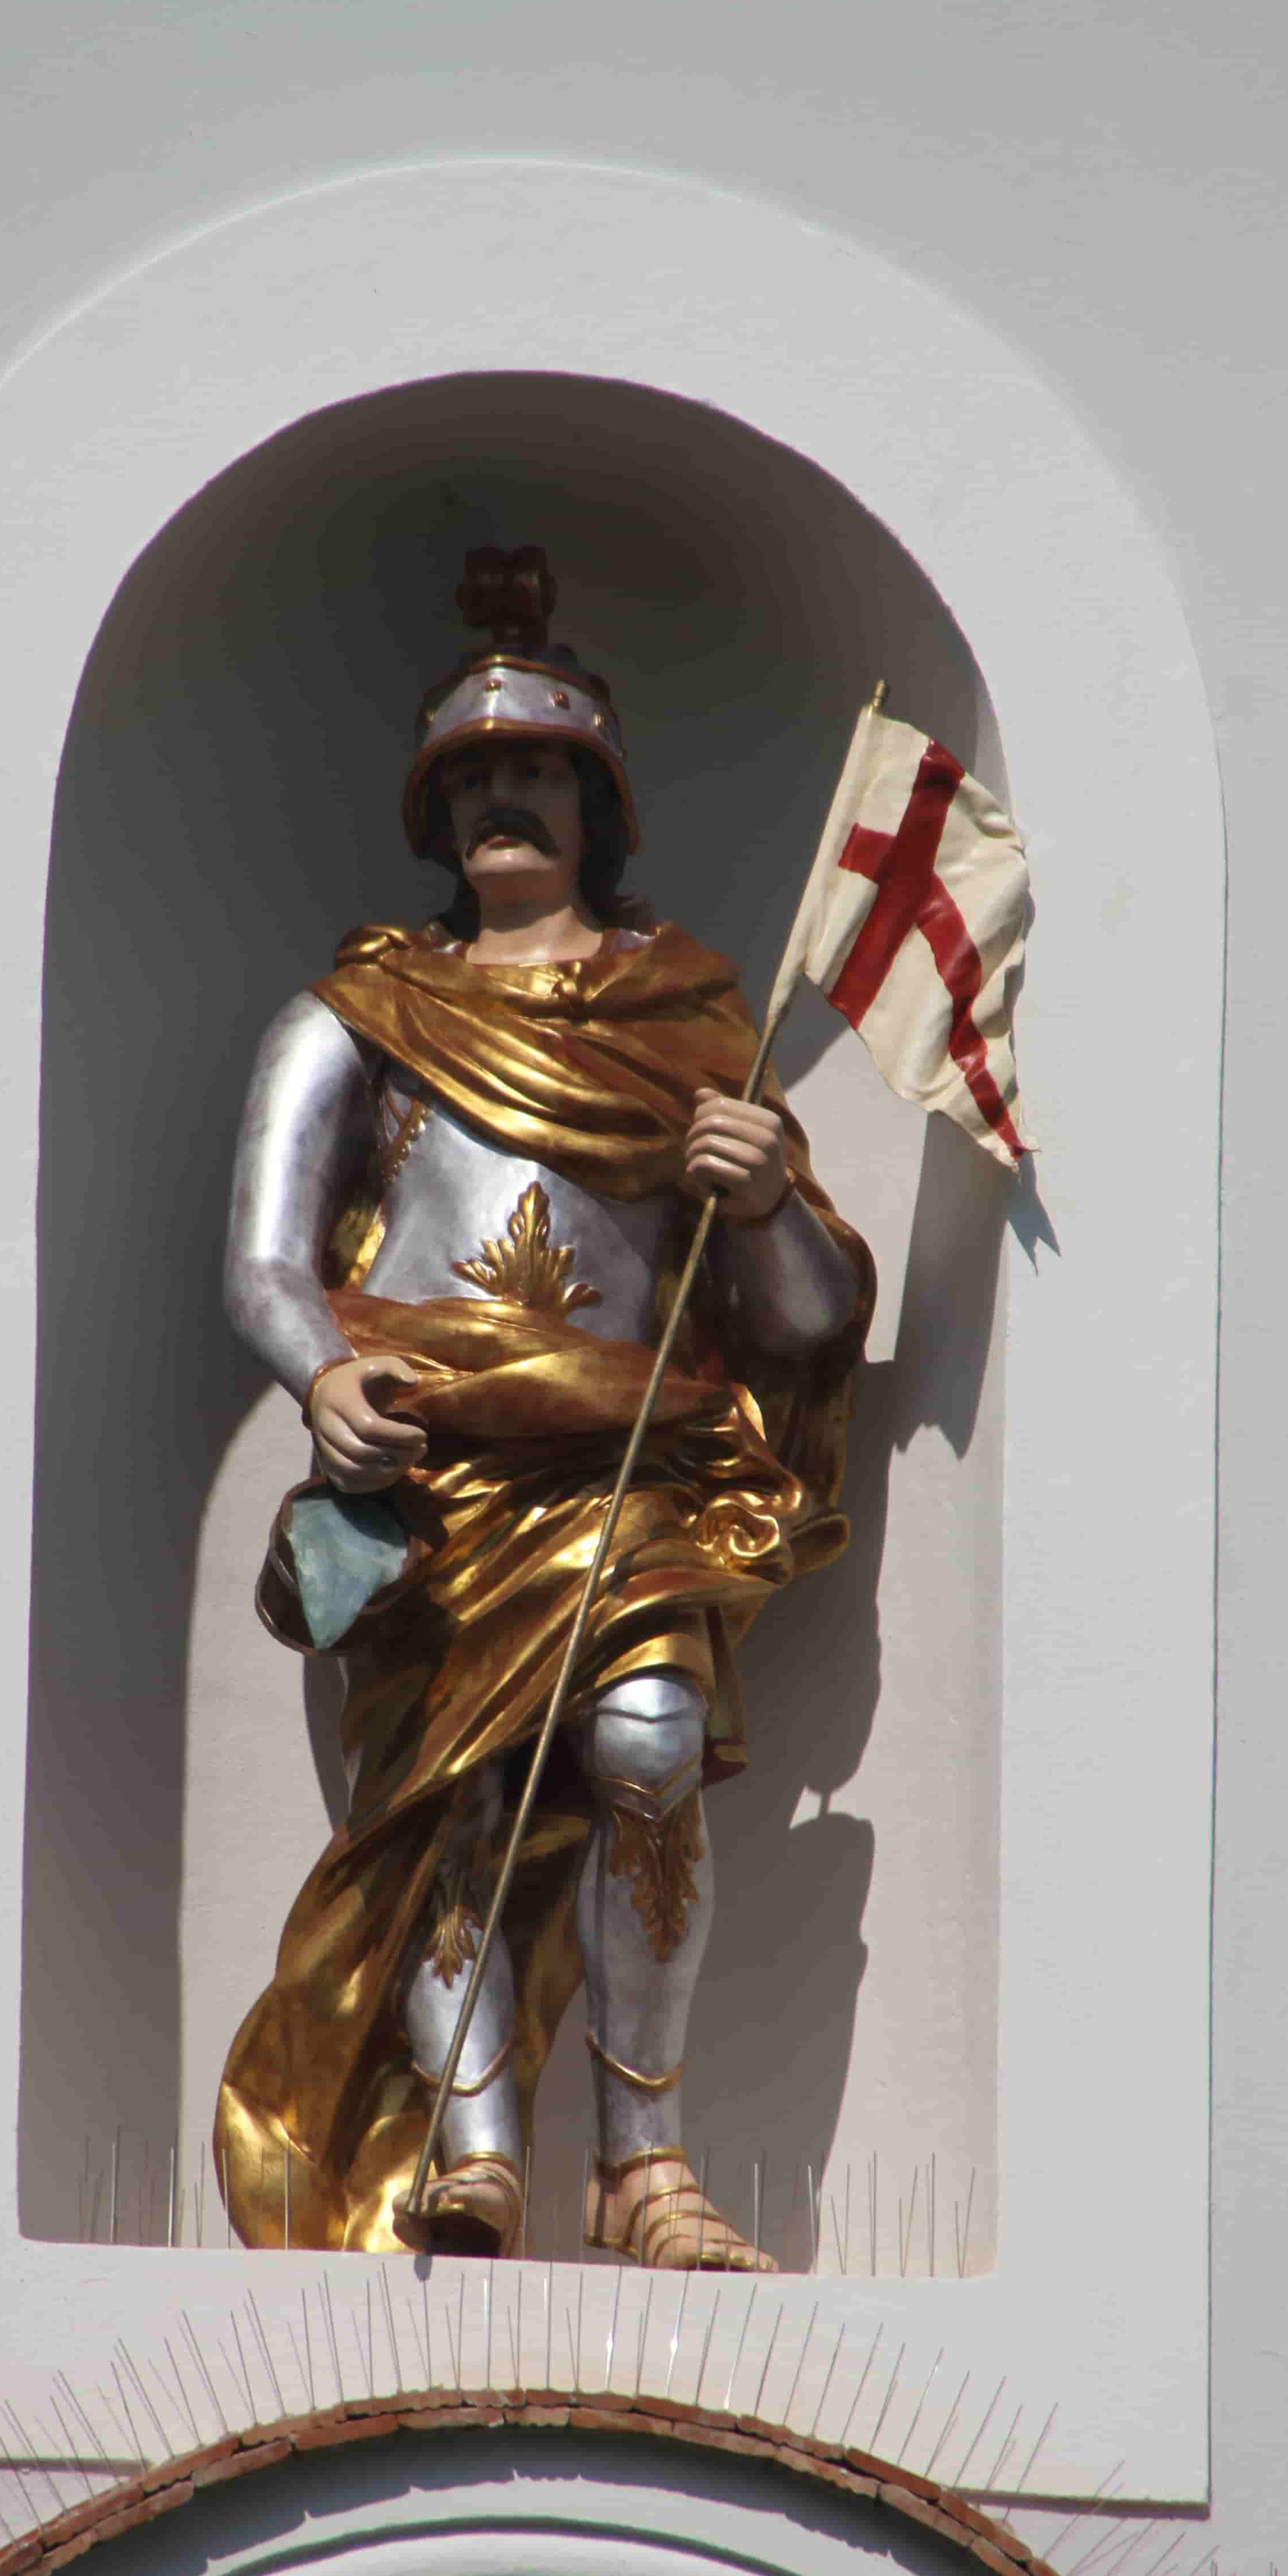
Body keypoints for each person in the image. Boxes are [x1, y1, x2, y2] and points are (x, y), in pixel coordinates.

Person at [214, 546, 872, 2266]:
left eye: (538, 773)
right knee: (464, 1792)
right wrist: (327, 1375)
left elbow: (808, 1320)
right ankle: (479, 2149)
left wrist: (763, 1196)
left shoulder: (690, 1016)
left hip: (634, 1461)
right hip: (437, 1471)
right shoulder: (360, 1015)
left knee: (649, 1748)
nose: (504, 802)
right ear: (437, 817)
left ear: (598, 804)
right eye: (474, 779)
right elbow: (266, 1264)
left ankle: (643, 2163)